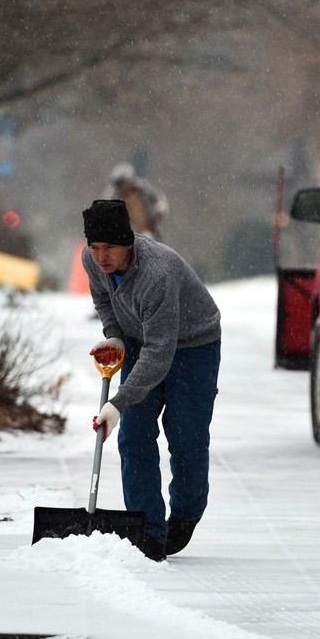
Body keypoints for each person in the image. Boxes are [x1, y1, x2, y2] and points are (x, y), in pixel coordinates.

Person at [82, 199, 221, 562]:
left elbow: (160, 354)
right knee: (133, 437)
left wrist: (118, 403)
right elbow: (103, 299)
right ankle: (147, 530)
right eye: (95, 247)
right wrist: (114, 334)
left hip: (194, 345)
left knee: (185, 436)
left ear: (127, 242)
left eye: (109, 247)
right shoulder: (91, 261)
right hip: (142, 339)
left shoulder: (157, 272)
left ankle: (186, 515)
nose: (100, 257)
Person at [100, 163, 170, 240]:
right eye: (118, 185)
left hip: (148, 228)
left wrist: (160, 207)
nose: (121, 188)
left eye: (122, 183)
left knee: (149, 240)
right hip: (125, 235)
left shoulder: (142, 189)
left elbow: (158, 198)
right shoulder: (113, 196)